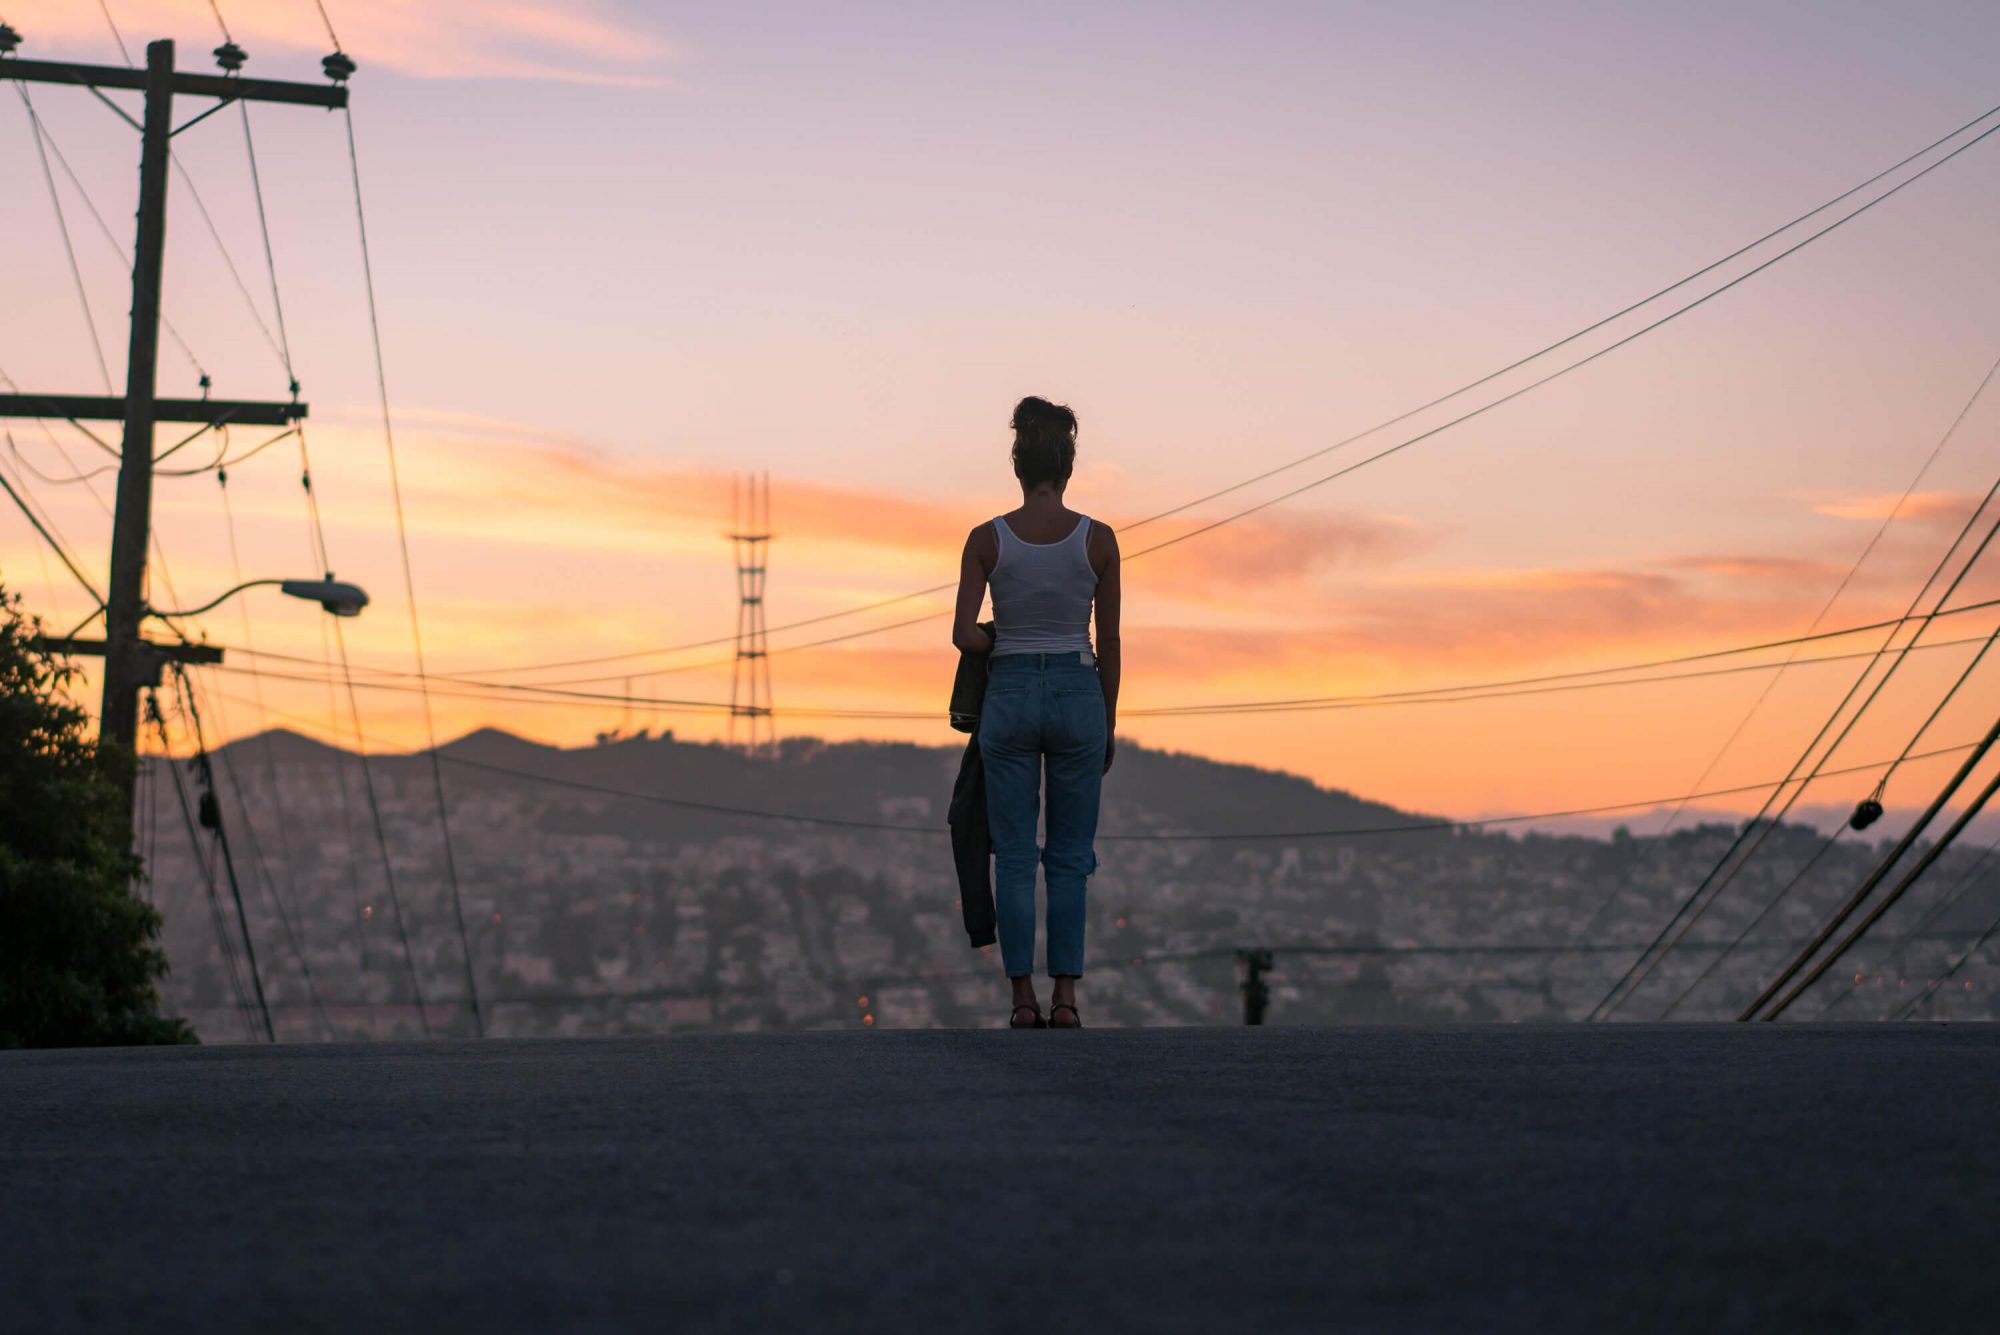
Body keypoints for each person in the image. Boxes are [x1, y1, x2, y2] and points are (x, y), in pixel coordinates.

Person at [952, 396, 1121, 1029]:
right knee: (1071, 856)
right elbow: (1112, 642)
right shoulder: (1098, 541)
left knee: (1017, 854)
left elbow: (963, 634)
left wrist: (1002, 640)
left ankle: (1022, 999)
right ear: (1068, 467)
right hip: (1079, 693)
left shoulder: (985, 540)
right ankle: (1067, 1001)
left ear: (1018, 467)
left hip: (1011, 696)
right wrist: (1107, 720)